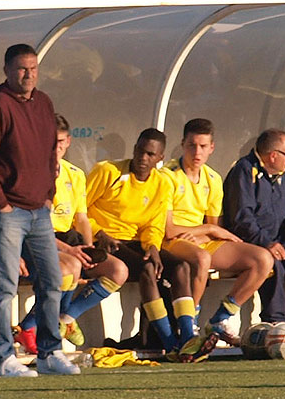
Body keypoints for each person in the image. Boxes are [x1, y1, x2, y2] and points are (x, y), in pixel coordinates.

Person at [0, 43, 80, 376]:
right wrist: (0, 202)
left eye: (33, 68)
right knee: (4, 285)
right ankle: (2, 357)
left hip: (39, 210)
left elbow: (50, 152)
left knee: (52, 280)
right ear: (6, 70)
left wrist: (48, 192)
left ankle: (49, 353)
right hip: (7, 210)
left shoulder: (44, 102)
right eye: (21, 68)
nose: (28, 74)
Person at [86, 128, 217, 363]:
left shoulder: (161, 183)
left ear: (160, 158)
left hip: (136, 242)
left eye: (150, 154)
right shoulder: (108, 171)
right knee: (147, 270)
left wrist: (153, 247)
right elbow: (80, 210)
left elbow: (154, 224)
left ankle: (187, 337)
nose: (142, 159)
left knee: (180, 268)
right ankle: (170, 343)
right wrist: (100, 233)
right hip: (107, 242)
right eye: (139, 151)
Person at [14, 114, 128, 354]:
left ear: (68, 142)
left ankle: (64, 318)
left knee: (119, 270)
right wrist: (70, 251)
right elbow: (30, 224)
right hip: (35, 240)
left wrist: (90, 250)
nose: (57, 148)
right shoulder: (28, 174)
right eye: (52, 142)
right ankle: (31, 327)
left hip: (68, 241)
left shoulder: (74, 174)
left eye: (62, 142)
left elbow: (82, 218)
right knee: (70, 269)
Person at [161, 119, 274, 346]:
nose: (197, 152)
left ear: (211, 148)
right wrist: (209, 230)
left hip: (199, 240)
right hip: (170, 241)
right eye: (192, 145)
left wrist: (206, 232)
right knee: (201, 258)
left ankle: (218, 320)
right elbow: (168, 228)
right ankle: (189, 324)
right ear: (182, 144)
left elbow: (215, 227)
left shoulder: (212, 178)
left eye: (203, 146)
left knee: (263, 259)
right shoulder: (167, 175)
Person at [223, 128, 285, 328]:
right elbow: (242, 219)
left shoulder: (283, 177)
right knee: (271, 262)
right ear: (273, 155)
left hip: (278, 241)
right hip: (248, 243)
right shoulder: (244, 171)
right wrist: (266, 242)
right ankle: (275, 323)